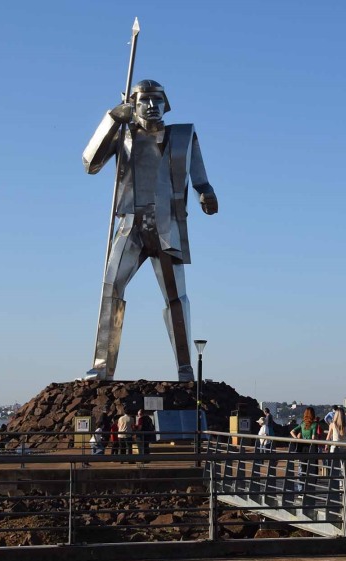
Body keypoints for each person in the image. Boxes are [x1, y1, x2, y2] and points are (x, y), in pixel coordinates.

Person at [82, 79, 219, 382]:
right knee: (111, 287)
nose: (153, 107)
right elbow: (90, 163)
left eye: (158, 101)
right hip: (131, 223)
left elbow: (201, 179)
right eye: (145, 100)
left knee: (175, 297)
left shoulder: (183, 136)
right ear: (132, 104)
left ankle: (185, 368)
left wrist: (206, 195)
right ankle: (102, 365)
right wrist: (111, 119)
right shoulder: (122, 134)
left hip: (166, 225)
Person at [290, 407, 321, 492]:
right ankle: (311, 489)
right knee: (313, 469)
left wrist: (297, 439)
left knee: (302, 468)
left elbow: (292, 431)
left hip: (303, 448)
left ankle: (301, 489)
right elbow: (313, 438)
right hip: (312, 449)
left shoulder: (302, 424)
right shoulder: (314, 425)